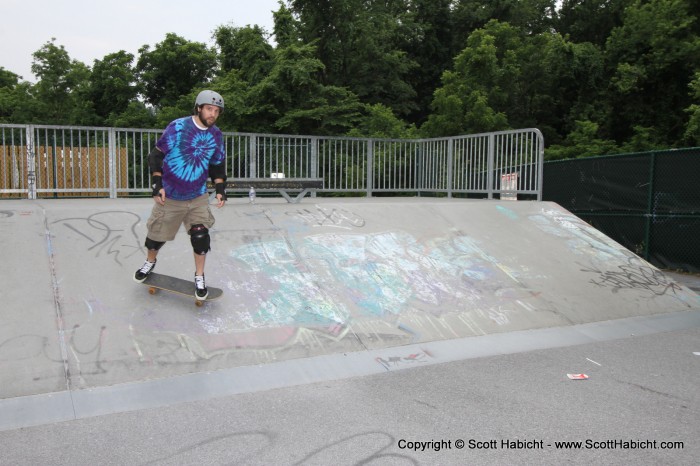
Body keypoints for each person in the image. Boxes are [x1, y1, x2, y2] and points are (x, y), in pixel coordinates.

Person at [133, 90, 228, 300]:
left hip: (198, 196)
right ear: (198, 108)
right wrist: (157, 184)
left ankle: (199, 277)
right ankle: (150, 262)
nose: (213, 114)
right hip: (171, 196)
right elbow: (156, 155)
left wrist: (220, 189)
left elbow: (217, 164)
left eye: (217, 111)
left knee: (201, 236)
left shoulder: (216, 134)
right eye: (209, 109)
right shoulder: (178, 127)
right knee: (155, 239)